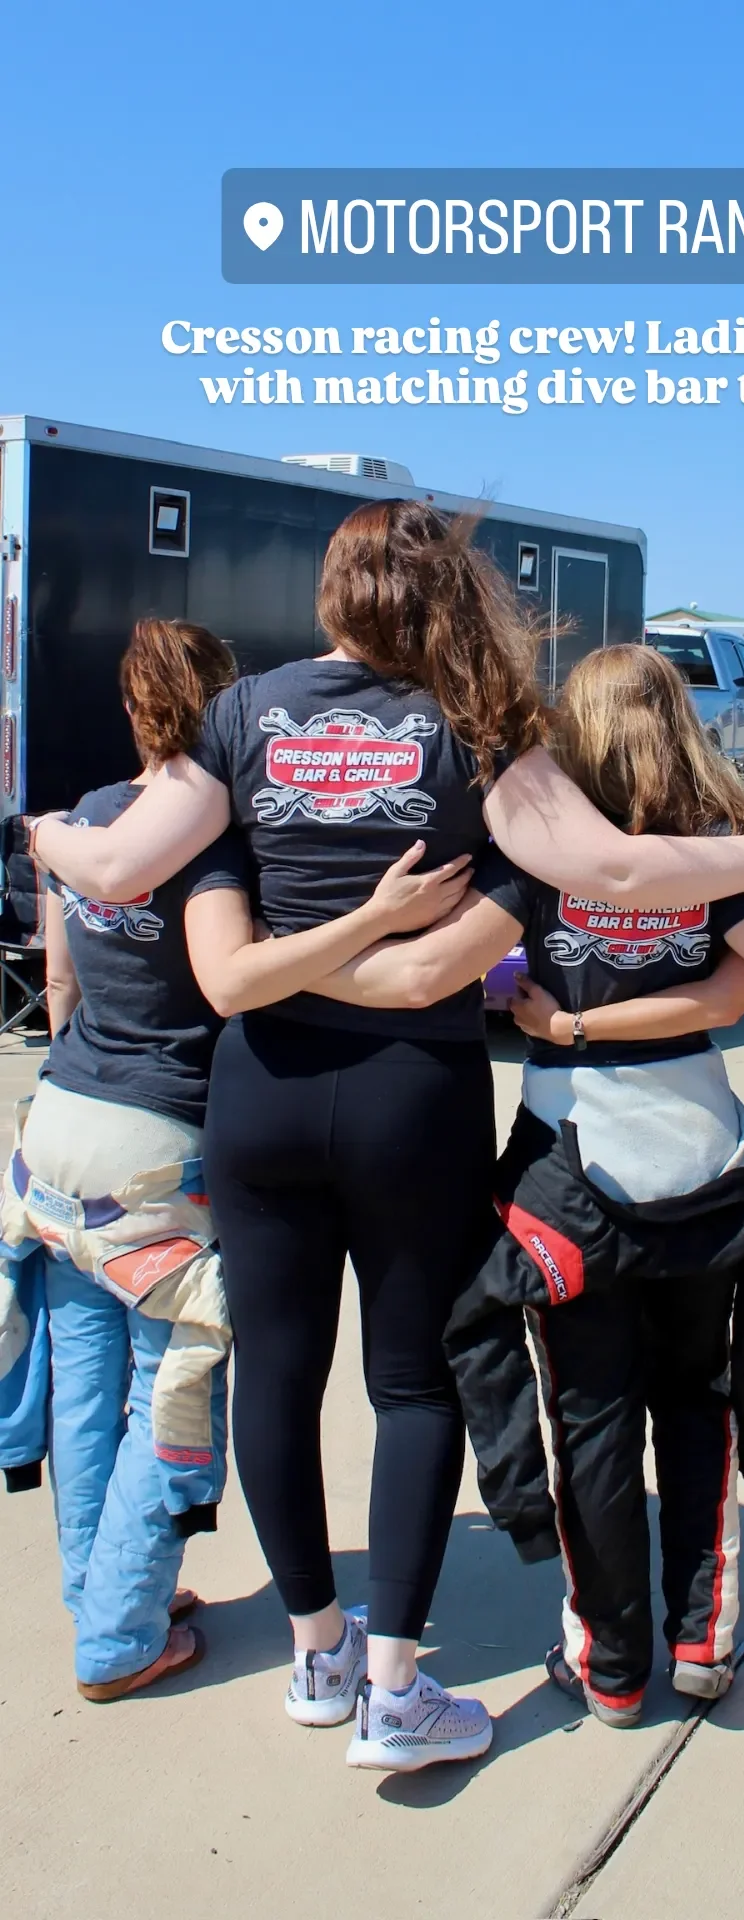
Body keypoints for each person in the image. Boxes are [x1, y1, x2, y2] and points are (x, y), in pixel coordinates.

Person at [30, 502, 744, 1773]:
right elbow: (616, 872)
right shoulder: (475, 725)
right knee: (412, 1381)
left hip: (263, 1084)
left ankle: (317, 1653)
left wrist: (49, 832)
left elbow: (115, 873)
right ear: (446, 599)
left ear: (330, 593)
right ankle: (397, 1692)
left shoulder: (243, 714)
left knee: (278, 1374)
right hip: (410, 1094)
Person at [307, 649, 744, 1727]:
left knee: (592, 1421)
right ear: (683, 723)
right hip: (704, 1168)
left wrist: (272, 968)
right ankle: (702, 1643)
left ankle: (613, 1665)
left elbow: (427, 975)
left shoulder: (537, 859)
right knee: (698, 1406)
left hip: (571, 1176)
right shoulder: (731, 855)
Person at [0, 618, 469, 1705]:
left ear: (129, 706)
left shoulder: (95, 823)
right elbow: (238, 978)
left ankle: (103, 1596)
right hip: (159, 1140)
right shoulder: (220, 845)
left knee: (86, 1386)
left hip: (60, 1122)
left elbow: (60, 988)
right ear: (225, 715)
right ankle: (119, 1634)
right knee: (170, 1395)